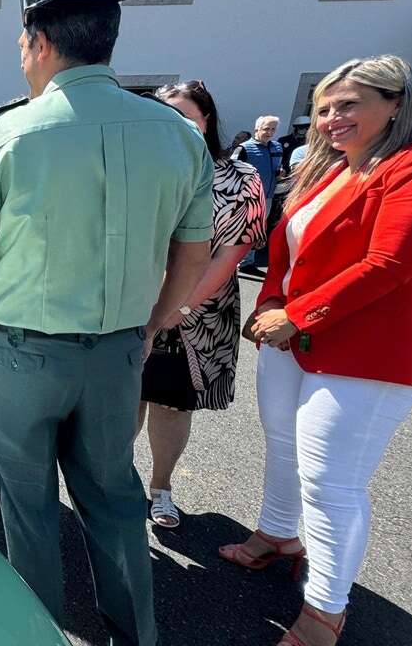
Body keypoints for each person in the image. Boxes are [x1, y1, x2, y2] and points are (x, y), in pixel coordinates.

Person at [0, 0, 213, 645]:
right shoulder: (178, 133)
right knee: (115, 500)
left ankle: (40, 634)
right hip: (118, 349)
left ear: (41, 43)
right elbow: (194, 250)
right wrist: (155, 323)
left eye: (23, 45)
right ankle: (134, 635)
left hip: (23, 352)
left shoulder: (6, 133)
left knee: (29, 509)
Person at [223, 55, 412, 646]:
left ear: (395, 103)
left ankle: (324, 610)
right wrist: (271, 304)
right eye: (323, 107)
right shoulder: (329, 172)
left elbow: (390, 265)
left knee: (331, 482)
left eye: (347, 104)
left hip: (366, 353)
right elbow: (284, 253)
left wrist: (295, 315)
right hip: (292, 340)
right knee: (281, 446)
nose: (330, 118)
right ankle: (276, 535)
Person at [137, 81, 267, 529]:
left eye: (186, 116)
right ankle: (115, 485)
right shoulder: (139, 172)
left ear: (206, 120)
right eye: (166, 116)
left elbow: (229, 255)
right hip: (132, 307)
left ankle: (161, 488)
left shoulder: (239, 178)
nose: (177, 126)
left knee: (172, 406)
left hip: (197, 315)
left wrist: (175, 310)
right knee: (122, 403)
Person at [235, 115, 284, 274]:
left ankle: (247, 263)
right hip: (248, 197)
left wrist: (280, 173)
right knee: (243, 230)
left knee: (258, 231)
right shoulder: (243, 148)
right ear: (256, 129)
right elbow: (232, 172)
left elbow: (277, 168)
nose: (269, 132)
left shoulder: (277, 147)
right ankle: (234, 262)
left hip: (268, 197)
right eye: (266, 129)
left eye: (273, 129)